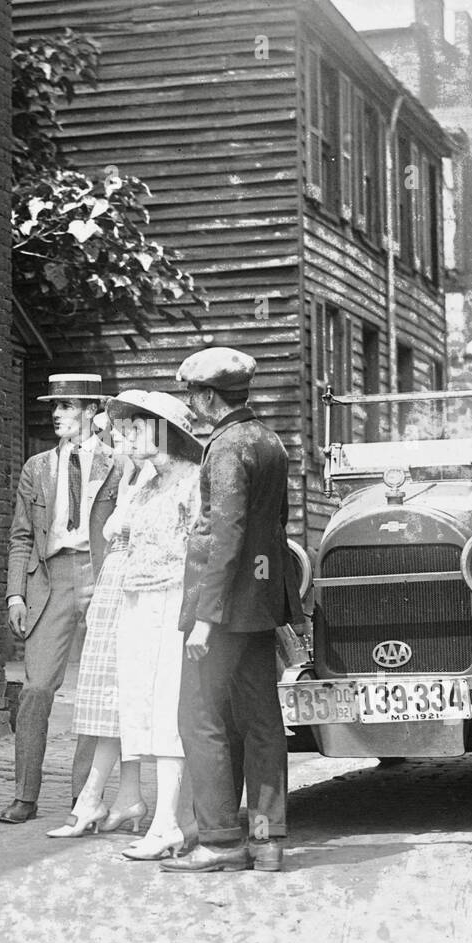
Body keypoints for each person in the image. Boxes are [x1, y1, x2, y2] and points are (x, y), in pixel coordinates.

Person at [160, 347, 304, 874]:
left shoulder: (223, 447)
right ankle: (266, 840)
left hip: (220, 610)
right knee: (262, 720)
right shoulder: (269, 441)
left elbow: (227, 534)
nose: (191, 405)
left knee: (199, 717)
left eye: (192, 395)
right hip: (261, 606)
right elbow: (274, 529)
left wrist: (205, 616)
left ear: (206, 396)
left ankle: (220, 840)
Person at [48, 391, 202, 860]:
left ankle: (169, 821)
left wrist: (198, 618)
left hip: (172, 599)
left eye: (140, 427)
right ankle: (151, 814)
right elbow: (117, 532)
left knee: (167, 708)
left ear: (166, 433)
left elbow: (203, 548)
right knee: (136, 707)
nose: (128, 435)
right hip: (136, 599)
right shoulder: (148, 483)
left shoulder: (193, 482)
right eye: (128, 426)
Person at [1, 374, 123, 824]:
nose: (56, 414)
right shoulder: (36, 467)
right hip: (47, 578)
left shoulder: (117, 462)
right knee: (35, 689)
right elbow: (19, 536)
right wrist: (16, 592)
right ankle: (25, 795)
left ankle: (82, 798)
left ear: (91, 411)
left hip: (100, 576)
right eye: (54, 407)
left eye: (67, 406)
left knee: (94, 691)